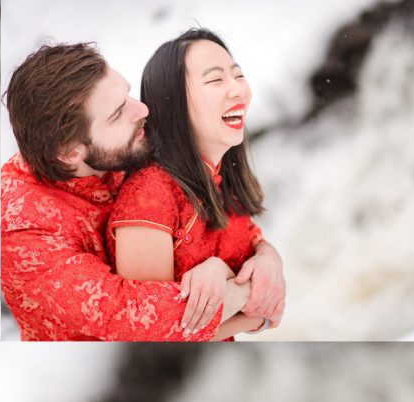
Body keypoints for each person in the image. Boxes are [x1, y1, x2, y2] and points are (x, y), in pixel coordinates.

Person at [1, 42, 284, 341]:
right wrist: (253, 294)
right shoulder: (25, 233)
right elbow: (142, 322)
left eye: (127, 95)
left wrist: (267, 258)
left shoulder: (123, 153)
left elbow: (225, 231)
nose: (143, 110)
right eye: (117, 113)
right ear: (69, 152)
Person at [108, 29, 285, 340]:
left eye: (238, 75)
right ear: (173, 102)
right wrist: (257, 313)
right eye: (216, 80)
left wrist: (269, 257)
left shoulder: (220, 173)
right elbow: (152, 338)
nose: (238, 90)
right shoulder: (149, 196)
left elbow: (250, 239)